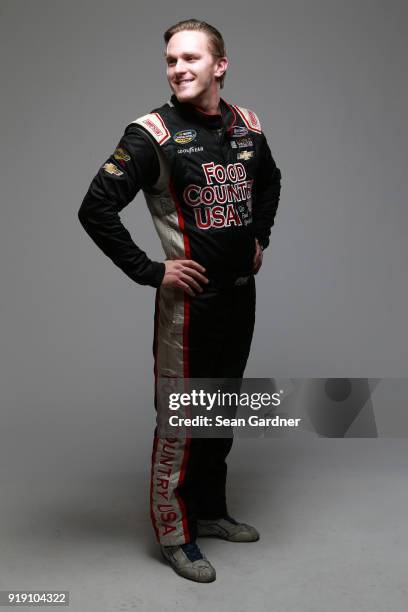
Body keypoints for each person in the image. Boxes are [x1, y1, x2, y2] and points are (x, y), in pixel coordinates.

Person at [78, 18, 281, 583]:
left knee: (220, 409)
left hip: (241, 298)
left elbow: (270, 182)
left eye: (191, 58)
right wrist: (150, 271)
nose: (178, 69)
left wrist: (259, 237)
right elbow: (95, 209)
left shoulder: (248, 126)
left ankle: (210, 511)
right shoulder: (151, 134)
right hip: (189, 307)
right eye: (171, 60)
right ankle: (175, 532)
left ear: (220, 65)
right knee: (181, 419)